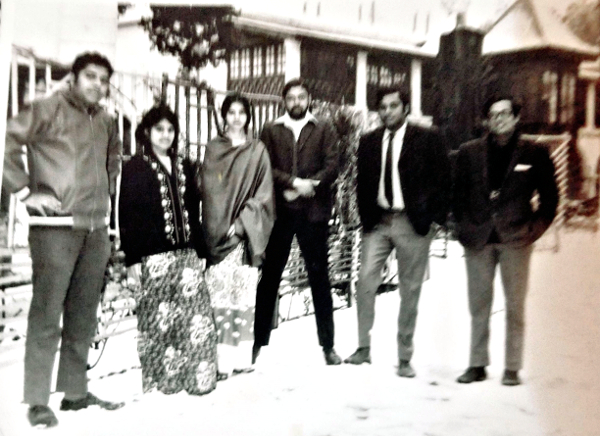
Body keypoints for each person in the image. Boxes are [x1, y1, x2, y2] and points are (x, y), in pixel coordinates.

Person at [3, 52, 124, 428]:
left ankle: (75, 392)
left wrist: (104, 205)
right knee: (46, 314)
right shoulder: (46, 107)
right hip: (54, 227)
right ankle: (37, 400)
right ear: (73, 77)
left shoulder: (107, 120)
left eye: (105, 80)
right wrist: (25, 192)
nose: (98, 85)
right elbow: (7, 142)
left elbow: (113, 162)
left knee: (83, 314)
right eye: (91, 76)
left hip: (95, 228)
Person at [344, 87, 451, 378]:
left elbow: (444, 180)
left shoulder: (428, 138)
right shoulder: (368, 141)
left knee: (410, 289)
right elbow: (361, 182)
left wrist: (433, 222)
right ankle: (363, 348)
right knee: (365, 280)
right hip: (379, 222)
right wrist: (366, 218)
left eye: (394, 106)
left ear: (405, 108)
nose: (388, 111)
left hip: (412, 222)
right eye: (383, 107)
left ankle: (404, 357)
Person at [453, 95, 558, 386]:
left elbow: (550, 200)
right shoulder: (469, 152)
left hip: (516, 239)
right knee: (478, 304)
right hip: (479, 238)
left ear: (515, 117)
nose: (498, 119)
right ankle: (477, 364)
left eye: (504, 113)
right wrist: (462, 228)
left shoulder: (534, 153)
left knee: (515, 304)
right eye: (493, 114)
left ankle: (512, 367)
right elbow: (457, 196)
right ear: (487, 119)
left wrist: (533, 230)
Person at [118, 105, 217, 396]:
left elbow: (193, 210)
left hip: (186, 255)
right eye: (159, 129)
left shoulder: (185, 165)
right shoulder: (136, 166)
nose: (165, 135)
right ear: (147, 132)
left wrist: (201, 251)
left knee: (195, 317)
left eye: (170, 130)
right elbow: (127, 214)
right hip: (153, 259)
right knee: (160, 322)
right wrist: (132, 258)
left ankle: (198, 380)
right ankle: (164, 384)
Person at [253, 78, 342, 366]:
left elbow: (333, 165)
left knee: (319, 277)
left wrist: (310, 185)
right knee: (269, 278)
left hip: (313, 213)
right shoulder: (271, 129)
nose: (296, 102)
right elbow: (263, 166)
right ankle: (257, 343)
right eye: (291, 98)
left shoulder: (324, 127)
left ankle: (328, 345)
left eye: (301, 97)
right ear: (283, 101)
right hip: (280, 213)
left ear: (309, 98)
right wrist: (291, 183)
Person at [200, 93, 275, 379]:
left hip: (245, 235)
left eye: (241, 112)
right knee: (219, 295)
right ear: (223, 115)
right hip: (219, 235)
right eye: (230, 112)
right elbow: (210, 192)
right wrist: (221, 226)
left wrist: (243, 224)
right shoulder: (214, 149)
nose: (236, 118)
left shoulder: (258, 151)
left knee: (242, 294)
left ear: (248, 116)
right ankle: (220, 362)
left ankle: (241, 358)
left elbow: (265, 194)